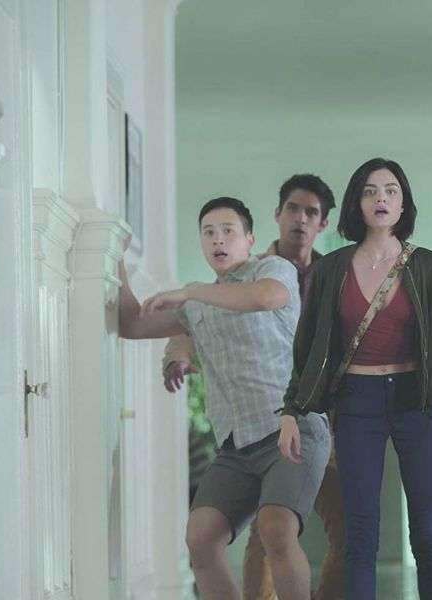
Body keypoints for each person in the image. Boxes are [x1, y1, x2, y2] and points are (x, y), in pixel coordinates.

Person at [277, 158, 432, 600]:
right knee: (361, 532)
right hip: (356, 401)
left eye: (390, 190)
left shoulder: (427, 265)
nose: (380, 199)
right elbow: (306, 346)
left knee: (426, 530)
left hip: (416, 402)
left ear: (404, 204)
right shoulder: (331, 269)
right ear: (357, 203)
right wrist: (292, 409)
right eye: (370, 191)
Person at [118, 196, 330, 600]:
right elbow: (130, 323)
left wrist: (192, 291)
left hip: (292, 428)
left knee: (276, 528)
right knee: (200, 538)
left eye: (228, 231)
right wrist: (117, 259)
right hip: (237, 447)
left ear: (249, 239)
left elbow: (265, 297)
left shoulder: (273, 269)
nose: (218, 239)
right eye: (208, 232)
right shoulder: (196, 305)